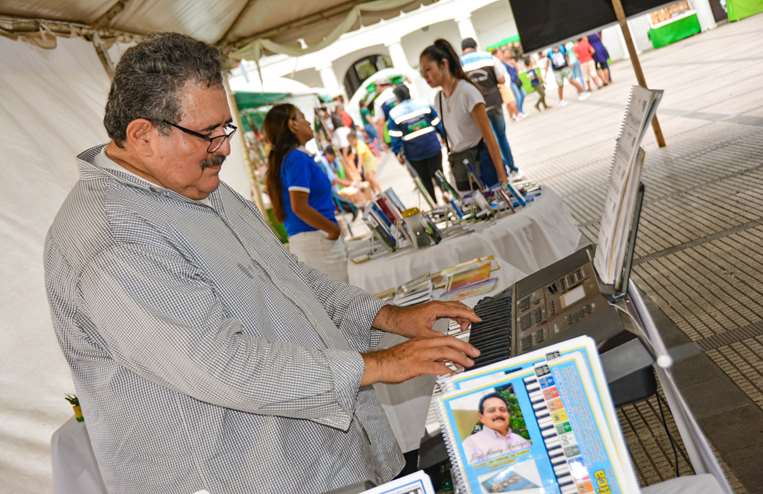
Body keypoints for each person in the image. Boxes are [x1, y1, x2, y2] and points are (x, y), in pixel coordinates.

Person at [44, 32, 483, 494]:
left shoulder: (196, 186)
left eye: (225, 129)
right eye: (208, 133)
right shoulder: (110, 239)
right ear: (143, 135)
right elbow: (223, 365)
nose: (224, 147)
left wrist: (393, 319)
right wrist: (381, 363)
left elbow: (292, 281)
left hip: (325, 462)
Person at [264, 104, 350, 281]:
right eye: (302, 117)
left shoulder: (293, 158)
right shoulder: (296, 158)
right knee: (341, 302)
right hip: (316, 240)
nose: (309, 123)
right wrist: (332, 229)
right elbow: (299, 207)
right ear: (293, 124)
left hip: (312, 239)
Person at [420, 39, 509, 191]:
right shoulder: (438, 99)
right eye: (422, 72)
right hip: (462, 172)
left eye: (428, 69)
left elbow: (490, 138)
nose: (425, 76)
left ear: (444, 64)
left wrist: (503, 179)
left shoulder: (467, 92)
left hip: (484, 168)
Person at [460, 37, 521, 178]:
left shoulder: (459, 63)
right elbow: (501, 79)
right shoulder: (488, 57)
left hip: (477, 107)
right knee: (501, 137)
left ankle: (503, 171)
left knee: (490, 139)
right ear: (475, 46)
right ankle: (513, 168)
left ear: (463, 49)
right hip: (494, 101)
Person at [387, 84, 446, 200]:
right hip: (432, 147)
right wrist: (444, 135)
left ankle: (435, 205)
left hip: (414, 154)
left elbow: (395, 137)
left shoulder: (394, 113)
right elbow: (437, 122)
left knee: (425, 179)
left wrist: (398, 153)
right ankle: (446, 193)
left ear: (397, 98)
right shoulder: (424, 104)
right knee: (439, 173)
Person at [462, 393, 531, 464]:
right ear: (481, 417)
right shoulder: (471, 443)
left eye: (503, 410)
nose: (498, 414)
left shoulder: (520, 440)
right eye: (491, 410)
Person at [498, 47, 526, 119]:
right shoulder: (503, 63)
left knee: (523, 94)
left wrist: (515, 64)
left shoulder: (512, 60)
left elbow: (517, 70)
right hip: (511, 82)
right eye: (507, 52)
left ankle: (520, 110)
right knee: (518, 97)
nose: (509, 53)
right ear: (504, 54)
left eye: (509, 52)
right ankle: (518, 112)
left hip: (517, 80)